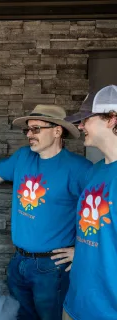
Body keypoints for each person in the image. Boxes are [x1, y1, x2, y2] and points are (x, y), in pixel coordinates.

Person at [0, 105, 92, 320]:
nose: (29, 134)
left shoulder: (80, 169)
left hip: (51, 268)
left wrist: (83, 251)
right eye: (27, 130)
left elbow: (99, 214)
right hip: (19, 261)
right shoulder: (23, 157)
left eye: (36, 129)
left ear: (57, 131)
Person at [62, 85, 117, 320]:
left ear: (112, 119)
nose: (80, 125)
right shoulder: (94, 172)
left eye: (86, 118)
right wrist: (82, 252)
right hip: (76, 301)